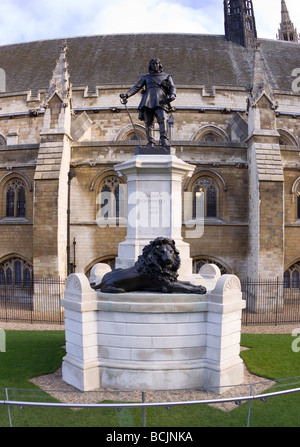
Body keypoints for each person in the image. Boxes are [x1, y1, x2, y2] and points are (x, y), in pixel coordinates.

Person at [120, 58, 176, 147]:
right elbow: (136, 87)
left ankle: (164, 140)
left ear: (160, 65)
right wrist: (127, 95)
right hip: (148, 100)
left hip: (161, 100)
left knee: (163, 119)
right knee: (148, 122)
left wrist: (172, 94)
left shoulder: (166, 76)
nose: (155, 65)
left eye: (157, 63)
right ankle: (151, 142)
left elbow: (172, 87)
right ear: (150, 66)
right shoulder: (145, 77)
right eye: (153, 64)